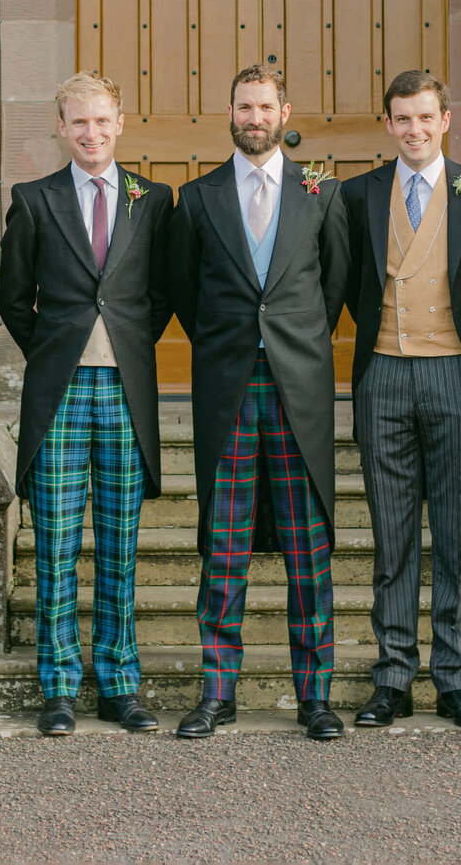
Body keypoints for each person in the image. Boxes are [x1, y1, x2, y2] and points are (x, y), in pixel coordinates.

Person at [168, 65, 350, 739]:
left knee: (308, 550)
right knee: (224, 546)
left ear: (284, 111)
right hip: (228, 389)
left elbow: (332, 287)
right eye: (243, 106)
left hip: (299, 389)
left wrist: (290, 340)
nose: (253, 117)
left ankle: (315, 697)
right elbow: (186, 292)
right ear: (230, 112)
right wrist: (234, 343)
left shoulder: (321, 193)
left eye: (264, 106)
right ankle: (217, 692)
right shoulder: (198, 197)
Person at [0, 72, 172, 737]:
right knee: (57, 545)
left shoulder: (152, 200)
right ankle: (59, 686)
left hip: (125, 391)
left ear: (119, 122)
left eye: (102, 121)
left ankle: (120, 684)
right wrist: (54, 352)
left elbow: (162, 294)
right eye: (78, 123)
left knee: (121, 546)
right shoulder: (35, 199)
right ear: (62, 127)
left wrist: (125, 346)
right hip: (60, 392)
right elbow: (14, 296)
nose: (91, 134)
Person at [341, 70, 461, 730]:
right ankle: (391, 679)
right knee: (393, 537)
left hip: (454, 378)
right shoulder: (359, 194)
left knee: (456, 537)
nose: (414, 130)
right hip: (382, 373)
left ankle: (454, 680)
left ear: (446, 120)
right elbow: (348, 278)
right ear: (389, 124)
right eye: (402, 119)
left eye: (425, 118)